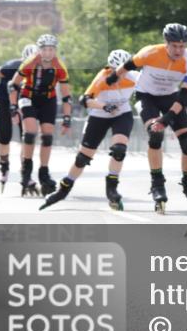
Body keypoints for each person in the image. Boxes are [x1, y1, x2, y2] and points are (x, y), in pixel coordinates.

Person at [106, 23, 187, 213]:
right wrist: (114, 77)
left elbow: (185, 96)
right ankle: (157, 184)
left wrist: (165, 119)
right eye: (174, 46)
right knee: (155, 134)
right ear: (166, 43)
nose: (178, 51)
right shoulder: (150, 52)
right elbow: (129, 65)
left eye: (182, 46)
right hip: (146, 96)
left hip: (171, 97)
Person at [40, 49, 138, 211]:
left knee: (119, 150)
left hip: (122, 114)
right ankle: (63, 189)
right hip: (99, 115)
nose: (120, 74)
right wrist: (104, 106)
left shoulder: (134, 77)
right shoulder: (103, 77)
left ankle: (112, 188)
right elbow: (84, 100)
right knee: (83, 158)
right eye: (116, 70)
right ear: (110, 68)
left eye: (124, 70)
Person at [8, 35, 72, 197]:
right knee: (30, 133)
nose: (48, 53)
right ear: (39, 50)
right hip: (28, 96)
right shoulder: (30, 62)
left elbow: (66, 96)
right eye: (44, 50)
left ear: (55, 50)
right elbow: (13, 85)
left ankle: (44, 172)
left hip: (48, 100)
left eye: (51, 50)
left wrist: (67, 118)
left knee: (47, 137)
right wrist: (13, 107)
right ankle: (26, 171)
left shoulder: (59, 66)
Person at [0, 44, 36, 192]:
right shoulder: (14, 66)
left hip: (23, 101)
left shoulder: (41, 70)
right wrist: (1, 71)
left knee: (27, 137)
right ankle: (4, 165)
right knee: (5, 136)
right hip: (4, 101)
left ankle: (25, 171)